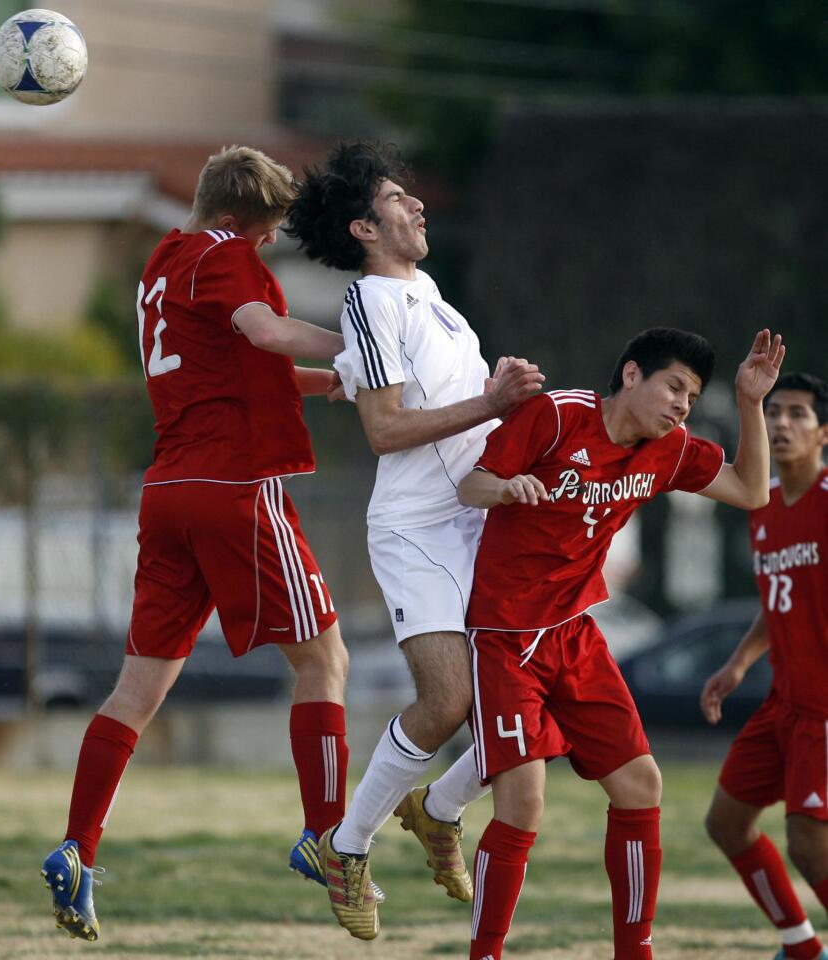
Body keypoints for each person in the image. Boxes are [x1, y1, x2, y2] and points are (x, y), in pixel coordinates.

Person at [40, 146, 352, 941]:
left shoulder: (163, 261)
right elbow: (267, 329)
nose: (269, 245)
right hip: (234, 489)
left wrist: (343, 384)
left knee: (134, 693)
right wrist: (368, 343)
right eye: (266, 231)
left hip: (169, 491)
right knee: (323, 660)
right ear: (229, 223)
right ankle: (327, 838)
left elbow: (239, 365)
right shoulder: (223, 253)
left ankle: (77, 849)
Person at [457, 327, 785, 960]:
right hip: (503, 635)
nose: (682, 405)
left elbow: (750, 490)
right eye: (674, 387)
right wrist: (506, 488)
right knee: (523, 804)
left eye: (691, 396)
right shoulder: (555, 416)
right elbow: (471, 485)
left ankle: (635, 952)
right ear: (632, 375)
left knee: (641, 785)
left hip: (576, 634)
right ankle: (486, 953)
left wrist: (749, 403)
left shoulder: (670, 449)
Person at [287, 141, 544, 940]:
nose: (418, 206)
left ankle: (436, 809)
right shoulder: (370, 301)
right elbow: (386, 429)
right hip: (419, 530)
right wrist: (491, 402)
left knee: (537, 703)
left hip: (482, 515)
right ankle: (347, 845)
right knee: (448, 702)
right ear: (364, 226)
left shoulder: (429, 291)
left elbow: (461, 415)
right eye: (399, 199)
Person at [700, 371, 828, 960]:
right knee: (726, 823)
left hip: (823, 711)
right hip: (784, 703)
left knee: (808, 845)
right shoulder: (763, 502)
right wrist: (738, 663)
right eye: (773, 411)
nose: (780, 423)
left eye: (798, 414)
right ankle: (801, 946)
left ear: (823, 432)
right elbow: (779, 596)